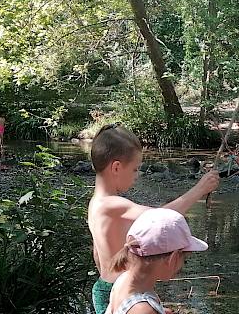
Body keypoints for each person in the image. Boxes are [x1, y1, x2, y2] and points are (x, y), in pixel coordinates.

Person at [88, 124, 219, 314]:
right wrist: (200, 189)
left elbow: (98, 255)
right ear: (116, 167)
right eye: (134, 169)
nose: (137, 175)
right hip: (117, 289)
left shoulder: (96, 202)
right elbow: (160, 221)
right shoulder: (109, 204)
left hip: (114, 286)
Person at [107, 208, 208, 314]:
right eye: (184, 258)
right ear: (173, 258)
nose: (182, 264)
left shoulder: (125, 279)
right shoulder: (143, 310)